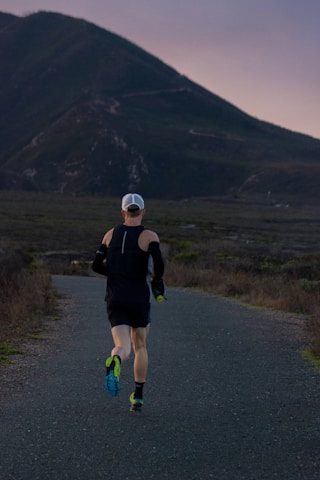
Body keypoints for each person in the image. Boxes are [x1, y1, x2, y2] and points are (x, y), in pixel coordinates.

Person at [92, 193, 165, 412]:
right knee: (140, 345)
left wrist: (114, 274)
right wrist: (156, 281)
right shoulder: (149, 236)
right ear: (143, 211)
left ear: (123, 212)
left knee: (122, 346)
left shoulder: (110, 234)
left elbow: (96, 265)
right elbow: (159, 266)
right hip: (139, 298)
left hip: (115, 297)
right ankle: (138, 397)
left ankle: (115, 360)